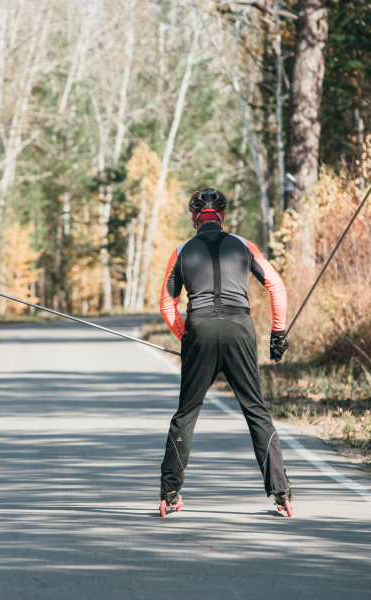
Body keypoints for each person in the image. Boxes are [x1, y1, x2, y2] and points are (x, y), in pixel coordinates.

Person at [158, 186, 293, 517]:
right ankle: (281, 493)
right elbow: (276, 287)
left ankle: (170, 493)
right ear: (221, 216)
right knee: (256, 410)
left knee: (186, 413)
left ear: (194, 218)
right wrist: (278, 333)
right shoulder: (245, 246)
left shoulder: (180, 250)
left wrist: (185, 336)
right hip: (239, 329)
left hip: (199, 327)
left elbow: (167, 304)